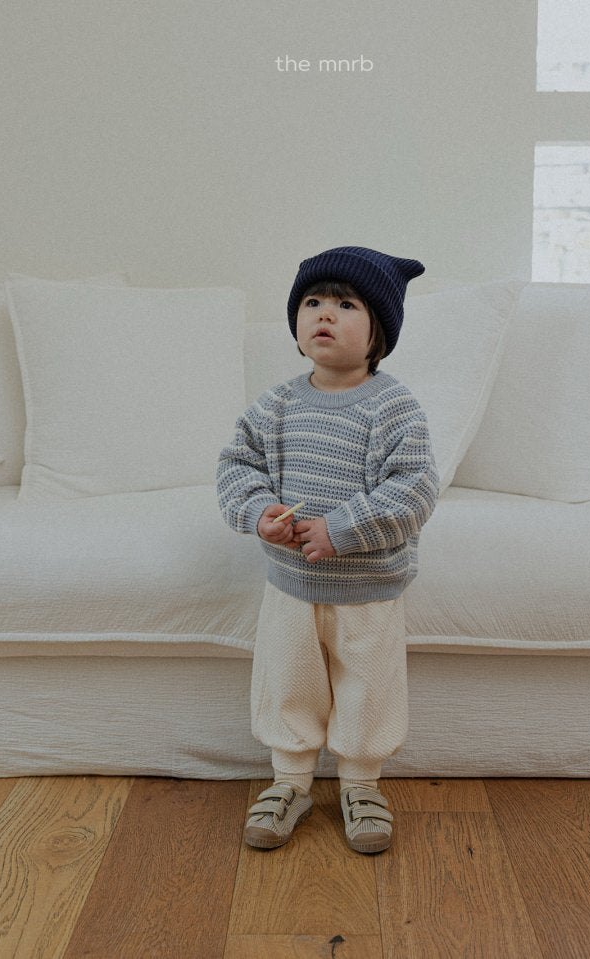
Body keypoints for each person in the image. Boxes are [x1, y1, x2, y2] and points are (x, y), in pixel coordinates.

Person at [216, 245, 439, 854]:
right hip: (289, 586)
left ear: (378, 332)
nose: (324, 314)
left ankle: (361, 785)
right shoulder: (276, 405)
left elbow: (414, 489)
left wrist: (341, 528)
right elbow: (237, 464)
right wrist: (258, 511)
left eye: (346, 305)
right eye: (312, 302)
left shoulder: (394, 408)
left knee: (368, 687)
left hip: (368, 591)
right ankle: (289, 781)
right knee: (289, 682)